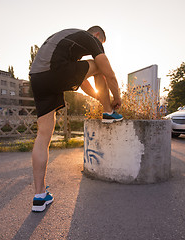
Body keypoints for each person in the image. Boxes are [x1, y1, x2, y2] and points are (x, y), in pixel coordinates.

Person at [29, 26, 123, 212]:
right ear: (97, 36)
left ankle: (39, 196)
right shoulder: (89, 38)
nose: (99, 46)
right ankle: (108, 113)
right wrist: (116, 98)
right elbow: (108, 73)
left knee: (43, 135)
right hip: (55, 71)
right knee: (100, 67)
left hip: (37, 77)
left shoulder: (67, 44)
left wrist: (99, 96)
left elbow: (82, 82)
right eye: (100, 43)